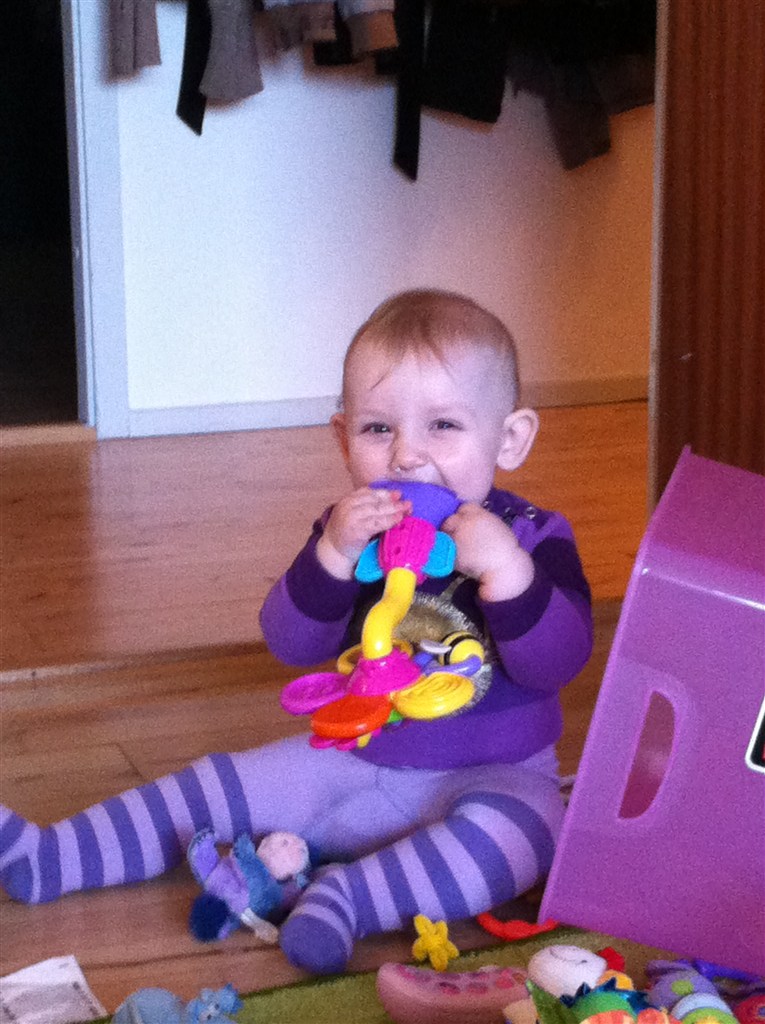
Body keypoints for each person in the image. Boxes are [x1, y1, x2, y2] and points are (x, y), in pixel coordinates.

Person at [0, 289, 592, 974]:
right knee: (221, 783)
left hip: (492, 776)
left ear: (509, 438)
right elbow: (290, 642)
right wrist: (332, 555)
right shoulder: (352, 530)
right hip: (352, 761)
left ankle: (344, 898)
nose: (406, 456)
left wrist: (508, 572)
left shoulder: (532, 536)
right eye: (378, 429)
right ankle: (52, 854)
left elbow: (558, 662)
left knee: (528, 833)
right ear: (342, 438)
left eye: (443, 426)